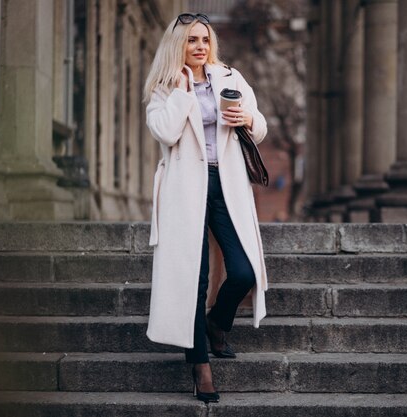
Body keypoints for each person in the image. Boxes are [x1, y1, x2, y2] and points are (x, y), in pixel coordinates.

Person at [142, 13, 268, 403]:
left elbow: (259, 126)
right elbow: (164, 131)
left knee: (244, 270)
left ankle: (218, 323)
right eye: (192, 40)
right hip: (184, 188)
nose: (200, 46)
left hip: (226, 184)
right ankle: (200, 366)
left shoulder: (230, 77)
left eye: (205, 39)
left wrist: (247, 118)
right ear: (178, 44)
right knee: (191, 280)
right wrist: (182, 91)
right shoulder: (164, 87)